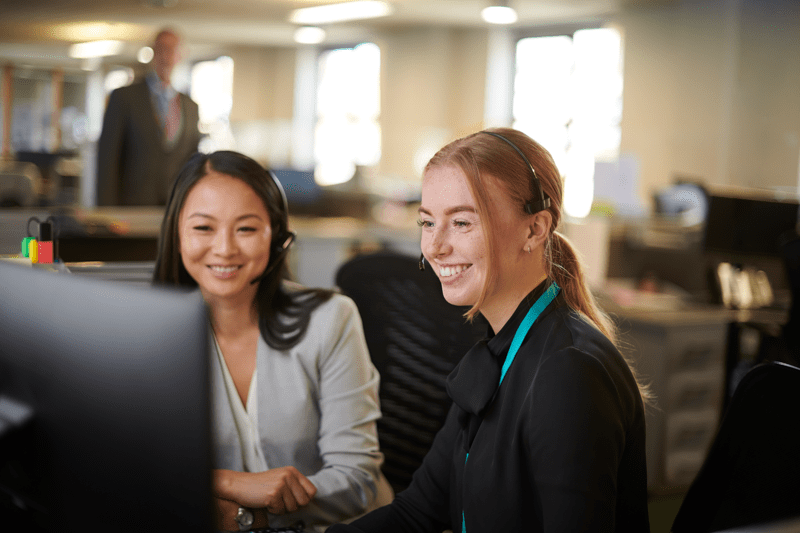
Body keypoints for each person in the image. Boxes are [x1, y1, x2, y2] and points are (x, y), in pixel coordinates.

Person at [328, 127, 650, 532]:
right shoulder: (497, 353)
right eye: (428, 223)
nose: (435, 246)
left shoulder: (568, 373)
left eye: (461, 223)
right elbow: (416, 514)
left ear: (535, 230)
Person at [152, 151, 393, 532]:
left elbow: (357, 479)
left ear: (277, 237)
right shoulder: (151, 338)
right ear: (177, 233)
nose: (225, 249)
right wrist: (230, 482)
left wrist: (248, 515)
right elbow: (140, 470)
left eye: (246, 229)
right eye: (203, 228)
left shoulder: (330, 319)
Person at [96, 28, 202, 206]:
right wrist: (107, 211)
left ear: (181, 55)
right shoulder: (124, 97)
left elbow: (192, 163)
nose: (166, 56)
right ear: (152, 53)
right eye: (161, 48)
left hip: (175, 206)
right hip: (132, 206)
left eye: (172, 50)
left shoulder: (191, 107)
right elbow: (108, 159)